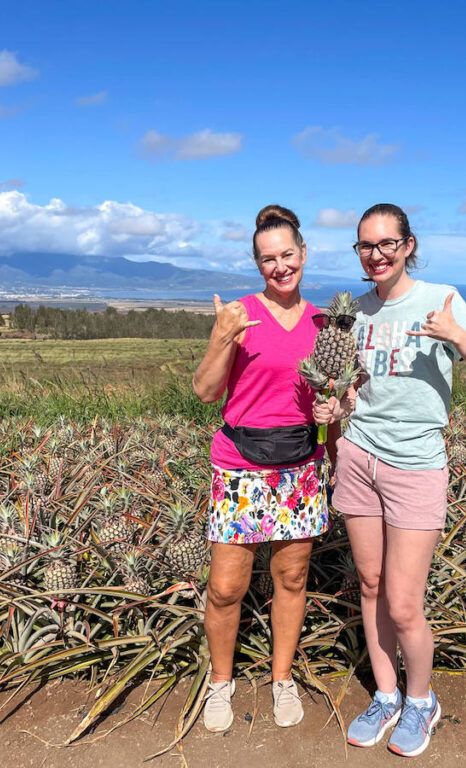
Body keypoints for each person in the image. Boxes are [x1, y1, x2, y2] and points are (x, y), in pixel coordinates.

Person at [319, 203, 466, 757]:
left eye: (386, 244)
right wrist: (338, 406)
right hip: (358, 458)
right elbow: (354, 388)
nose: (375, 255)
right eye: (365, 246)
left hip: (416, 466)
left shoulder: (441, 300)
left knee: (403, 604)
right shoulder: (354, 311)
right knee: (371, 586)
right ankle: (385, 694)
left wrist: (456, 335)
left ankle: (421, 701)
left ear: (407, 245)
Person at [192, 204, 331, 732]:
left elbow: (335, 399)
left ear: (303, 254)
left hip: (300, 465)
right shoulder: (240, 315)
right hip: (240, 465)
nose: (280, 266)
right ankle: (220, 684)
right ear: (257, 264)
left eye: (288, 255)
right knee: (227, 587)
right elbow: (206, 392)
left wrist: (333, 424)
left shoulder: (324, 323)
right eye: (268, 259)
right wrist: (221, 335)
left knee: (291, 578)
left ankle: (281, 679)